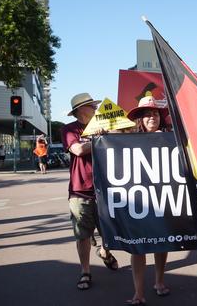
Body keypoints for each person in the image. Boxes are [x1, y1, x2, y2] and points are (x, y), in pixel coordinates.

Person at [61, 93, 119, 291]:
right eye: (91, 106)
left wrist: (110, 135)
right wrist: (99, 139)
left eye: (94, 105)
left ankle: (104, 251)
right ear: (80, 110)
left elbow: (122, 142)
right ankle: (85, 271)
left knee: (112, 230)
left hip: (106, 188)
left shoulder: (104, 124)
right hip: (80, 190)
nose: (95, 108)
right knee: (82, 234)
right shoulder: (69, 129)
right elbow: (77, 150)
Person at [124, 97, 171, 305]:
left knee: (162, 242)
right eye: (147, 114)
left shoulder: (170, 137)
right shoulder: (127, 140)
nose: (152, 117)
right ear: (140, 119)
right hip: (137, 200)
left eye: (155, 113)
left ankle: (159, 281)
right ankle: (138, 292)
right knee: (138, 246)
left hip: (163, 197)